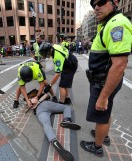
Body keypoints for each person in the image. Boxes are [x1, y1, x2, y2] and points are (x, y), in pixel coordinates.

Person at [80, 0, 132, 157]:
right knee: (105, 111)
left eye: (101, 2)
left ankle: (97, 146)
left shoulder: (117, 24)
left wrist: (103, 96)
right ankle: (104, 135)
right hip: (101, 80)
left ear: (114, 2)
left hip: (103, 83)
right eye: (93, 4)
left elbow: (119, 65)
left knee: (101, 113)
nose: (96, 7)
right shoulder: (107, 23)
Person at [28, 93, 81, 161]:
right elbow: (46, 95)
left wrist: (34, 100)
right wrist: (35, 99)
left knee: (46, 124)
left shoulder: (34, 100)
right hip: (44, 106)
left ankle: (54, 141)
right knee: (66, 107)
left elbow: (44, 96)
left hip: (40, 110)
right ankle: (66, 120)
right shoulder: (36, 97)